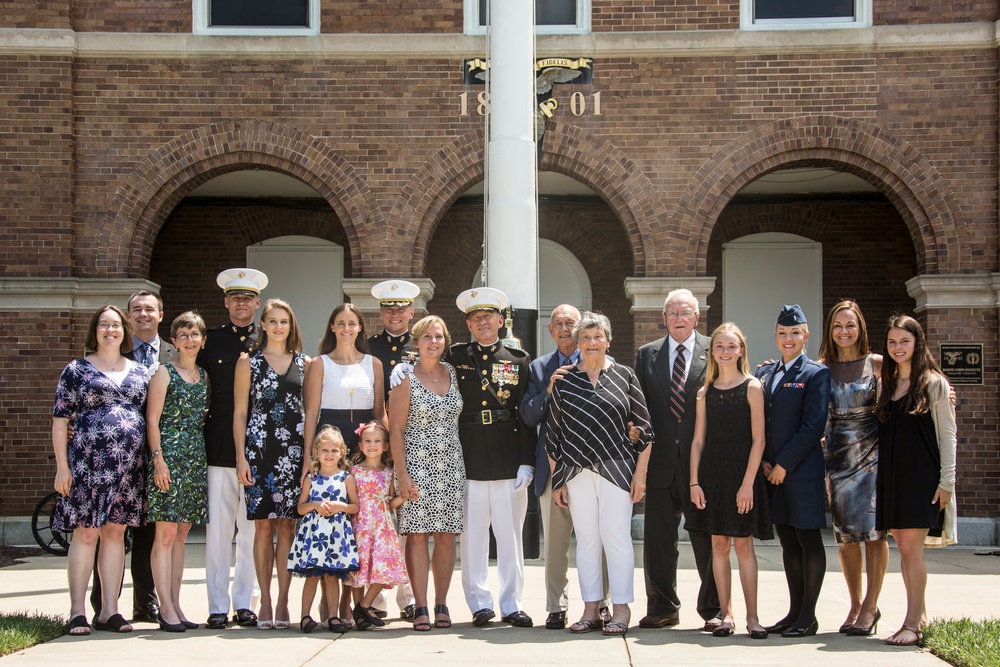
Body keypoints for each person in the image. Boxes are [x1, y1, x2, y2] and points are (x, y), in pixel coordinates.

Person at [547, 311, 653, 636]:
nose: (592, 343)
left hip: (617, 470)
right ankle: (591, 608)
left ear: (608, 341)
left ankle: (621, 609)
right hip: (576, 473)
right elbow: (554, 435)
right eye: (586, 338)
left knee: (616, 537)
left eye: (598, 337)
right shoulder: (565, 381)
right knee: (588, 540)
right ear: (577, 343)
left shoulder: (625, 376)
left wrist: (640, 476)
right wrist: (558, 481)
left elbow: (646, 430)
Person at [52, 305, 149, 636]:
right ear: (94, 331)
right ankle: (77, 611)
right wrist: (62, 467)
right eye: (104, 325)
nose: (111, 330)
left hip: (129, 467)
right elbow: (60, 420)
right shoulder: (76, 370)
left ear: (125, 331)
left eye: (117, 325)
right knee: (86, 531)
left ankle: (110, 611)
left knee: (115, 533)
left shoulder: (140, 371)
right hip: (87, 465)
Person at [447, 288, 535, 628]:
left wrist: (527, 459)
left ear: (501, 320)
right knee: (473, 535)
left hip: (508, 455)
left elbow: (524, 414)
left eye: (489, 317)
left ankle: (512, 603)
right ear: (468, 323)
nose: (483, 322)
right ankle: (479, 603)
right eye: (476, 318)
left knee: (510, 533)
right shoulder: (454, 356)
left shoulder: (517, 359)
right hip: (468, 453)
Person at [635, 289, 721, 630]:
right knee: (658, 541)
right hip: (659, 464)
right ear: (664, 317)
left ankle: (712, 609)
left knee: (704, 538)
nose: (679, 319)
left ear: (697, 318)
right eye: (673, 313)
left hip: (700, 465)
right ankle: (663, 607)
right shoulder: (647, 354)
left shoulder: (715, 349)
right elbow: (639, 409)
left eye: (686, 313)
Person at [520, 304, 611, 629]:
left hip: (593, 468)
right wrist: (549, 392)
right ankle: (556, 606)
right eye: (557, 324)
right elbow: (529, 415)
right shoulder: (539, 367)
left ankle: (601, 603)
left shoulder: (600, 363)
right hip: (554, 469)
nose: (562, 329)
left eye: (569, 323)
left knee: (597, 539)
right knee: (556, 545)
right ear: (550, 330)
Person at [89, 290, 177, 623]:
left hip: (158, 454)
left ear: (161, 314)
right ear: (128, 317)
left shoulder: (175, 351)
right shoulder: (113, 349)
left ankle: (146, 601)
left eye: (149, 309)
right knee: (108, 529)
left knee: (148, 529)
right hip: (113, 454)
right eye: (136, 310)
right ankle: (104, 604)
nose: (143, 314)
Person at [874, 314, 957, 647]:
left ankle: (912, 625)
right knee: (905, 550)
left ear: (917, 342)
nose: (898, 348)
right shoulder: (887, 386)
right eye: (892, 342)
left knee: (910, 549)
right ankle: (918, 617)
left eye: (904, 341)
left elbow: (948, 434)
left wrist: (947, 481)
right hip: (892, 478)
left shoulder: (934, 383)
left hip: (922, 480)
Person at [688, 323, 771, 639]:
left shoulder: (752, 386)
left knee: (743, 545)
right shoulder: (704, 392)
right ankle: (727, 615)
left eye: (731, 346)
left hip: (742, 477)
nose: (724, 352)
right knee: (718, 544)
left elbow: (759, 439)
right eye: (719, 346)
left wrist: (748, 483)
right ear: (712, 352)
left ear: (741, 350)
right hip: (712, 476)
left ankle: (753, 617)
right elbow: (698, 441)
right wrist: (695, 482)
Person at [304, 302, 384, 624]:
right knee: (331, 528)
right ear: (333, 328)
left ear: (360, 327)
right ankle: (329, 608)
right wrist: (308, 458)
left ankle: (356, 607)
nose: (347, 328)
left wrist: (380, 460)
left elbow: (379, 414)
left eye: (353, 323)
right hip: (330, 450)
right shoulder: (319, 363)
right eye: (341, 323)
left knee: (358, 529)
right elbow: (311, 413)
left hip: (364, 451)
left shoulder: (374, 364)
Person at [755, 304, 831, 638]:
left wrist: (784, 463)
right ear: (775, 335)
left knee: (808, 540)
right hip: (773, 473)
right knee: (788, 542)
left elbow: (814, 425)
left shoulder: (816, 374)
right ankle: (793, 612)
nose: (789, 339)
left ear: (806, 335)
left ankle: (808, 616)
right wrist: (765, 462)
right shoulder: (766, 373)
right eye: (783, 333)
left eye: (795, 333)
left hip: (801, 472)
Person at [197, 268, 267, 630]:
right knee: (219, 530)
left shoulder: (270, 339)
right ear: (226, 302)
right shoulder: (211, 342)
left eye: (248, 298)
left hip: (259, 450)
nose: (242, 304)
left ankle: (245, 602)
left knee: (251, 532)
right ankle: (217, 605)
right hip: (219, 445)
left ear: (257, 303)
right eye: (235, 298)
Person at [234, 298, 308, 630]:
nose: (279, 326)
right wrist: (240, 456)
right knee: (263, 527)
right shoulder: (247, 362)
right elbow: (239, 413)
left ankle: (283, 600)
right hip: (260, 452)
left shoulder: (306, 363)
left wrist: (308, 459)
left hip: (293, 453)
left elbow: (311, 411)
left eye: (285, 321)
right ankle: (263, 598)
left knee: (287, 527)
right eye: (273, 321)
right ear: (262, 325)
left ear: (291, 327)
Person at [389, 315, 465, 632]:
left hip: (451, 465)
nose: (434, 342)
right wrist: (402, 475)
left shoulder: (454, 373)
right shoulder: (405, 378)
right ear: (416, 342)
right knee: (418, 536)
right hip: (417, 466)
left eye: (439, 336)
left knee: (447, 537)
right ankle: (420, 604)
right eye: (427, 337)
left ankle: (441, 603)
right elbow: (395, 429)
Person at [818, 300, 889, 636]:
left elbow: (912, 386)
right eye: (837, 326)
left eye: (850, 325)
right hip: (837, 460)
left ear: (860, 328)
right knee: (846, 538)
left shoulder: (877, 365)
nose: (844, 332)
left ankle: (871, 606)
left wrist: (942, 389)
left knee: (874, 534)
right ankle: (856, 603)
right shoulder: (821, 369)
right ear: (830, 331)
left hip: (873, 458)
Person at [145, 311, 209, 632]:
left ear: (202, 340)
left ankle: (177, 603)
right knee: (166, 534)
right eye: (183, 335)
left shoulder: (203, 376)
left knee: (182, 534)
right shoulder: (163, 372)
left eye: (194, 334)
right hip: (168, 457)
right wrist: (158, 459)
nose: (189, 340)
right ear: (174, 340)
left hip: (194, 458)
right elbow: (152, 420)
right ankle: (164, 607)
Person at [366, 279, 419, 620]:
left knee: (410, 523)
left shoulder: (424, 345)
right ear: (381, 312)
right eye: (389, 308)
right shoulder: (369, 347)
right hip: (378, 446)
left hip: (415, 443)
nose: (395, 314)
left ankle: (408, 596)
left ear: (412, 312)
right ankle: (376, 598)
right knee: (376, 522)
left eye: (401, 308)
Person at [288, 426, 360, 634]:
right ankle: (304, 616)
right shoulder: (311, 479)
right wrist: (315, 504)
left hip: (336, 536)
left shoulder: (346, 478)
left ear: (342, 453)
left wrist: (340, 507)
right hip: (314, 536)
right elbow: (300, 508)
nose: (329, 455)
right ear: (316, 453)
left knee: (331, 577)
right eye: (325, 450)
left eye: (334, 451)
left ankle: (332, 616)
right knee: (312, 576)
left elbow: (355, 506)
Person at [347, 421, 408, 630]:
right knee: (359, 571)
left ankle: (364, 605)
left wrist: (404, 497)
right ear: (361, 445)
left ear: (385, 446)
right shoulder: (354, 471)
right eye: (367, 441)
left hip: (382, 526)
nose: (372, 445)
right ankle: (360, 613)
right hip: (361, 525)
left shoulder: (389, 472)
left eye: (377, 441)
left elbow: (390, 503)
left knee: (386, 567)